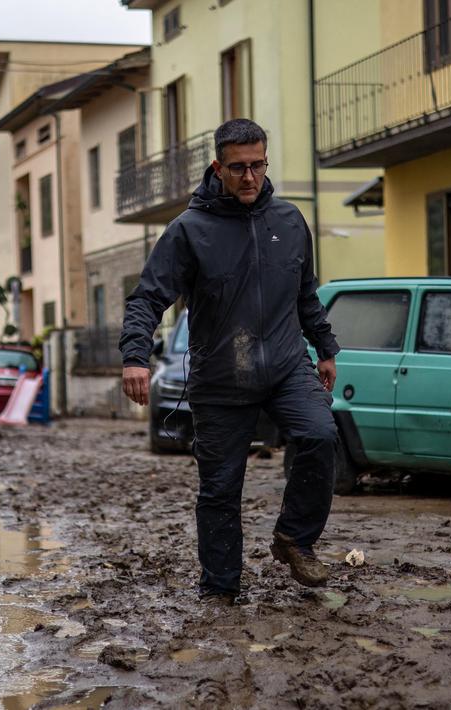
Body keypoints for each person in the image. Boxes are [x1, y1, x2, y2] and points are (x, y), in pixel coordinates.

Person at [120, 118, 341, 604]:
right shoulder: (189, 231)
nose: (249, 177)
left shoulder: (288, 222)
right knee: (220, 489)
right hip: (221, 378)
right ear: (217, 168)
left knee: (320, 436)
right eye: (238, 167)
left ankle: (294, 539)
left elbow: (306, 294)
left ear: (265, 163)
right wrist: (135, 357)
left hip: (285, 365)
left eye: (257, 165)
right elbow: (147, 299)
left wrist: (325, 347)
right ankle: (220, 591)